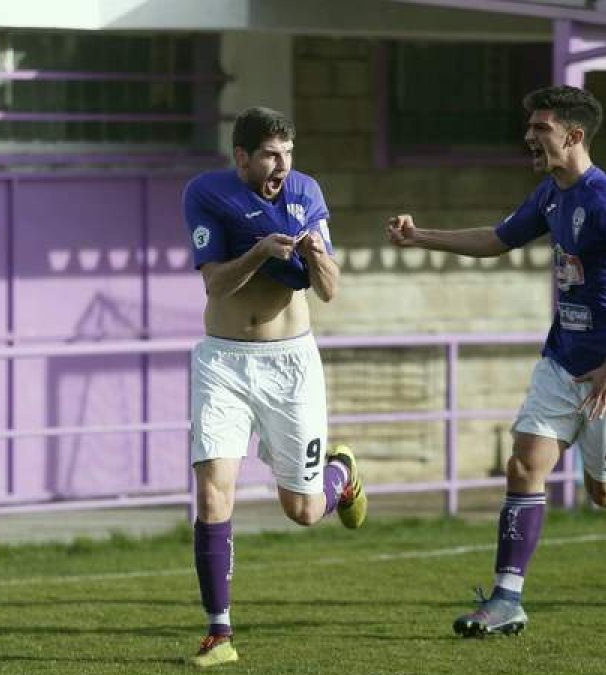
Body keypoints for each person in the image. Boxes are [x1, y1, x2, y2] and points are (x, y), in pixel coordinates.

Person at [387, 85, 606, 638]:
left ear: (573, 135)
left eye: (540, 128)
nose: (529, 136)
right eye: (529, 128)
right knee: (525, 464)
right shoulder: (552, 194)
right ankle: (506, 600)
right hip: (562, 360)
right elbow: (497, 239)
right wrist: (419, 237)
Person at [182, 106, 367, 668]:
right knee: (214, 491)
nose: (281, 165)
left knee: (304, 511)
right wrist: (260, 251)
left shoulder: (307, 193)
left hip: (291, 363)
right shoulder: (206, 194)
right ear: (242, 156)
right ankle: (220, 633)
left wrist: (317, 257)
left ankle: (342, 476)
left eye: (287, 154)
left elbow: (329, 289)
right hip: (223, 362)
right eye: (269, 154)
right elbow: (214, 284)